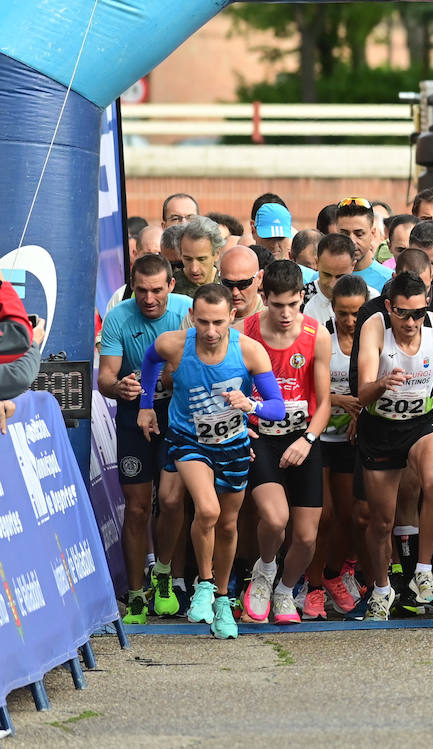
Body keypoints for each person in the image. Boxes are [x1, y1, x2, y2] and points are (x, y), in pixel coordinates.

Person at [137, 283, 286, 639]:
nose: (210, 331)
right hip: (188, 440)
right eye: (202, 322)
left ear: (232, 316)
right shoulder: (174, 344)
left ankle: (222, 599)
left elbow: (277, 407)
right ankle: (203, 585)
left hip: (232, 444)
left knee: (229, 525)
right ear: (193, 318)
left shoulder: (250, 352)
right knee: (207, 510)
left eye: (218, 322)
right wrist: (145, 405)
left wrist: (251, 406)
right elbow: (150, 360)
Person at [354, 271, 433, 620]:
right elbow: (361, 393)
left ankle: (423, 571)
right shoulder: (375, 327)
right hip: (382, 427)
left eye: (417, 313)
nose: (411, 321)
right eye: (402, 313)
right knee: (382, 522)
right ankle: (381, 589)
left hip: (423, 420)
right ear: (389, 307)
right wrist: (382, 383)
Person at [99, 255, 192, 624]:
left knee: (172, 502)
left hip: (175, 415)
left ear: (171, 285)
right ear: (131, 288)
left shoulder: (187, 311)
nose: (149, 298)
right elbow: (105, 377)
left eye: (157, 290)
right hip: (131, 415)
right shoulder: (119, 316)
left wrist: (161, 384)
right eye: (141, 291)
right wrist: (119, 386)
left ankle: (166, 576)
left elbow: (194, 367)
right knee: (137, 507)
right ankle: (136, 593)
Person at [240, 261, 332, 625]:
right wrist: (238, 428)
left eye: (293, 305)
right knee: (276, 519)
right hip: (260, 437)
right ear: (264, 298)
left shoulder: (316, 334)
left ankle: (284, 591)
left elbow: (324, 403)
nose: (286, 314)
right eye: (277, 305)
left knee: (307, 537)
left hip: (302, 438)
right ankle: (263, 574)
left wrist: (308, 440)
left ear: (302, 299)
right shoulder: (244, 332)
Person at [316, 274, 368, 617]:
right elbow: (304, 390)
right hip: (319, 439)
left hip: (351, 441)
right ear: (332, 309)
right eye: (343, 313)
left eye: (356, 314)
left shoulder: (372, 341)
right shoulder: (322, 338)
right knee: (324, 514)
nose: (350, 321)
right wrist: (338, 398)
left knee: (351, 516)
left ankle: (334, 574)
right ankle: (312, 585)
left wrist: (359, 411)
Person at [304, 233, 379, 328]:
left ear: (353, 265)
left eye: (340, 277)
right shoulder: (300, 300)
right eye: (327, 275)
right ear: (317, 263)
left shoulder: (371, 299)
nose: (333, 284)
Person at [337, 197, 393, 291]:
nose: (352, 241)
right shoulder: (321, 280)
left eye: (359, 234)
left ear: (373, 233)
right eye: (344, 234)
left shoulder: (389, 281)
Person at [172, 216, 225, 295]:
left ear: (217, 253)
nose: (194, 269)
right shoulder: (170, 288)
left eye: (201, 259)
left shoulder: (228, 285)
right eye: (188, 259)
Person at [218, 246, 265, 323]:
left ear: (259, 278)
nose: (235, 292)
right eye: (228, 284)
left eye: (243, 284)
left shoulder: (273, 317)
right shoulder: (203, 314)